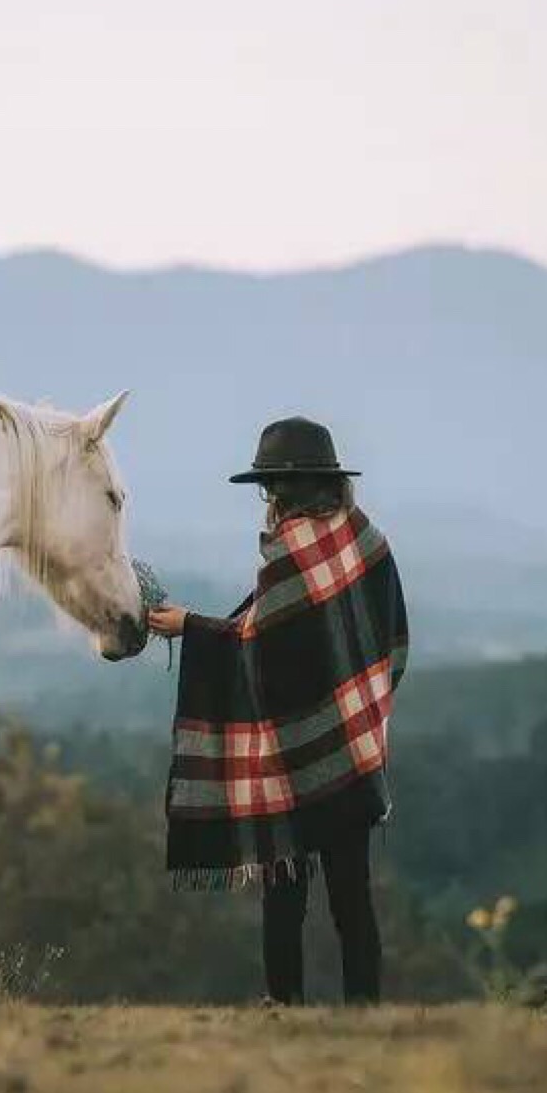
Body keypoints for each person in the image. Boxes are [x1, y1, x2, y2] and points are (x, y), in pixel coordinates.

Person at [149, 416, 408, 1006]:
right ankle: (365, 1013)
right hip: (351, 751)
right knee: (352, 896)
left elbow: (255, 644)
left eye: (268, 490)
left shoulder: (290, 551)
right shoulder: (370, 544)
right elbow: (391, 643)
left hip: (289, 763)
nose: (267, 503)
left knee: (283, 894)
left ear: (280, 492)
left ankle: (283, 1006)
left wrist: (190, 626)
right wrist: (357, 712)